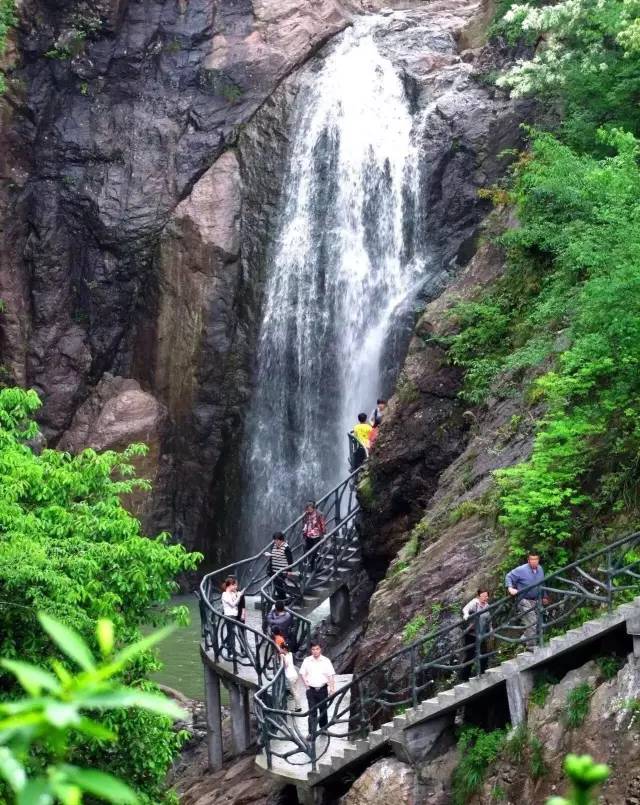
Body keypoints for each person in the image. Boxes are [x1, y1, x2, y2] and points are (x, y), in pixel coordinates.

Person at [505, 552, 546, 649]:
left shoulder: (540, 569)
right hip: (524, 600)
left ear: (538, 560)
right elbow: (508, 576)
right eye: (532, 559)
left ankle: (524, 638)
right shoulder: (521, 570)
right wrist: (510, 588)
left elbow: (542, 583)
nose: (534, 561)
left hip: (537, 600)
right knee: (533, 622)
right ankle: (531, 646)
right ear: (528, 560)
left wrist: (545, 596)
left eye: (536, 559)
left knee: (540, 623)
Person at [299, 641, 336, 741]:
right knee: (312, 711)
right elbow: (302, 673)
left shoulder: (326, 661)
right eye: (313, 649)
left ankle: (324, 728)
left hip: (323, 689)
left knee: (323, 709)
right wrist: (305, 684)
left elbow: (331, 675)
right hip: (311, 690)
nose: (315, 651)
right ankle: (311, 733)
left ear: (321, 649)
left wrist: (332, 688)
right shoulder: (307, 660)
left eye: (317, 649)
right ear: (311, 650)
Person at [461, 588, 491, 679]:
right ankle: (464, 677)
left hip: (481, 634)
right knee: (470, 655)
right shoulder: (475, 603)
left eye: (487, 596)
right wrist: (466, 615)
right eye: (484, 596)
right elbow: (465, 609)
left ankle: (482, 673)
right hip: (471, 634)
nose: (486, 597)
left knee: (484, 654)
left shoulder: (487, 606)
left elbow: (489, 620)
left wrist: (490, 630)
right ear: (479, 596)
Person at [266, 531, 294, 600]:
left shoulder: (286, 547)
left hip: (282, 570)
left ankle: (283, 598)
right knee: (276, 584)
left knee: (278, 584)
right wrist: (269, 556)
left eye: (277, 540)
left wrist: (289, 571)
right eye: (275, 540)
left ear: (281, 540)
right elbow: (273, 556)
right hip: (274, 569)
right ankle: (282, 598)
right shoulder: (273, 546)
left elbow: (290, 559)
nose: (275, 541)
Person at [221, 577, 246, 654]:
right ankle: (230, 652)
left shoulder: (232, 593)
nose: (235, 587)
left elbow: (238, 603)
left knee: (233, 634)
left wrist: (238, 595)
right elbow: (232, 604)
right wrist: (238, 596)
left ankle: (235, 651)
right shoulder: (224, 594)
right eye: (233, 585)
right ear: (230, 585)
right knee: (231, 634)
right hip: (229, 616)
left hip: (234, 615)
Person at [280, 642, 305, 712]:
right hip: (295, 675)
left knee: (294, 692)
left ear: (284, 649)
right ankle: (298, 706)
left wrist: (282, 658)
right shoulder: (290, 654)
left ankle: (298, 707)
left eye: (281, 648)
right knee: (295, 691)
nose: (279, 650)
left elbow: (285, 666)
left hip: (290, 676)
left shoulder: (283, 656)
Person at [302, 501, 326, 570]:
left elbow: (322, 524)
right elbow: (305, 524)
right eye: (307, 508)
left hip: (316, 535)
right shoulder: (306, 515)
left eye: (310, 508)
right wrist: (304, 532)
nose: (309, 510)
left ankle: (313, 565)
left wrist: (324, 532)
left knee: (314, 551)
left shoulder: (319, 514)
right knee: (308, 550)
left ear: (313, 508)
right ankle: (312, 565)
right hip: (308, 535)